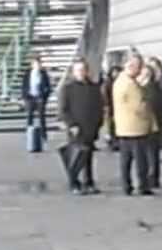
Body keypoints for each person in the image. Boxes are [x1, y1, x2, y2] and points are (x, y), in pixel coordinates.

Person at [58, 60, 103, 195]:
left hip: (90, 127)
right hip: (75, 129)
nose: (81, 72)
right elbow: (63, 110)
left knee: (88, 156)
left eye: (83, 69)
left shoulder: (94, 88)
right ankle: (74, 183)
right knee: (76, 157)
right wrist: (71, 124)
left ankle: (89, 182)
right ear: (73, 72)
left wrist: (98, 124)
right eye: (78, 70)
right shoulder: (68, 88)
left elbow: (99, 107)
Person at [112, 56, 155, 196]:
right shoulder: (130, 84)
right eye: (139, 67)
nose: (140, 70)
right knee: (140, 160)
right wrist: (148, 110)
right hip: (135, 127)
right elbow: (139, 107)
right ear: (132, 67)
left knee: (125, 160)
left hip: (123, 127)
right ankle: (143, 186)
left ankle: (126, 185)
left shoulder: (119, 81)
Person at [142, 56, 162, 190]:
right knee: (151, 152)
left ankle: (152, 177)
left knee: (151, 152)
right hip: (152, 124)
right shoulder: (152, 86)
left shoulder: (150, 87)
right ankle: (152, 177)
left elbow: (152, 105)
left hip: (151, 125)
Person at [21, 56, 52, 139]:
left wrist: (45, 96)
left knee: (41, 116)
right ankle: (29, 134)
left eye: (38, 64)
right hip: (30, 97)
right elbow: (24, 85)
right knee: (29, 115)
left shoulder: (43, 74)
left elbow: (48, 87)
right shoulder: (28, 74)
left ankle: (43, 135)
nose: (37, 65)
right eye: (35, 64)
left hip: (40, 97)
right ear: (32, 65)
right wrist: (25, 96)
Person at [102, 64, 121, 151]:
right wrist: (107, 105)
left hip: (118, 107)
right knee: (110, 125)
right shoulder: (108, 83)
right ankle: (112, 141)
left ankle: (116, 141)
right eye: (114, 72)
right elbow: (105, 95)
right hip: (110, 107)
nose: (116, 74)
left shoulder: (120, 82)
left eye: (118, 72)